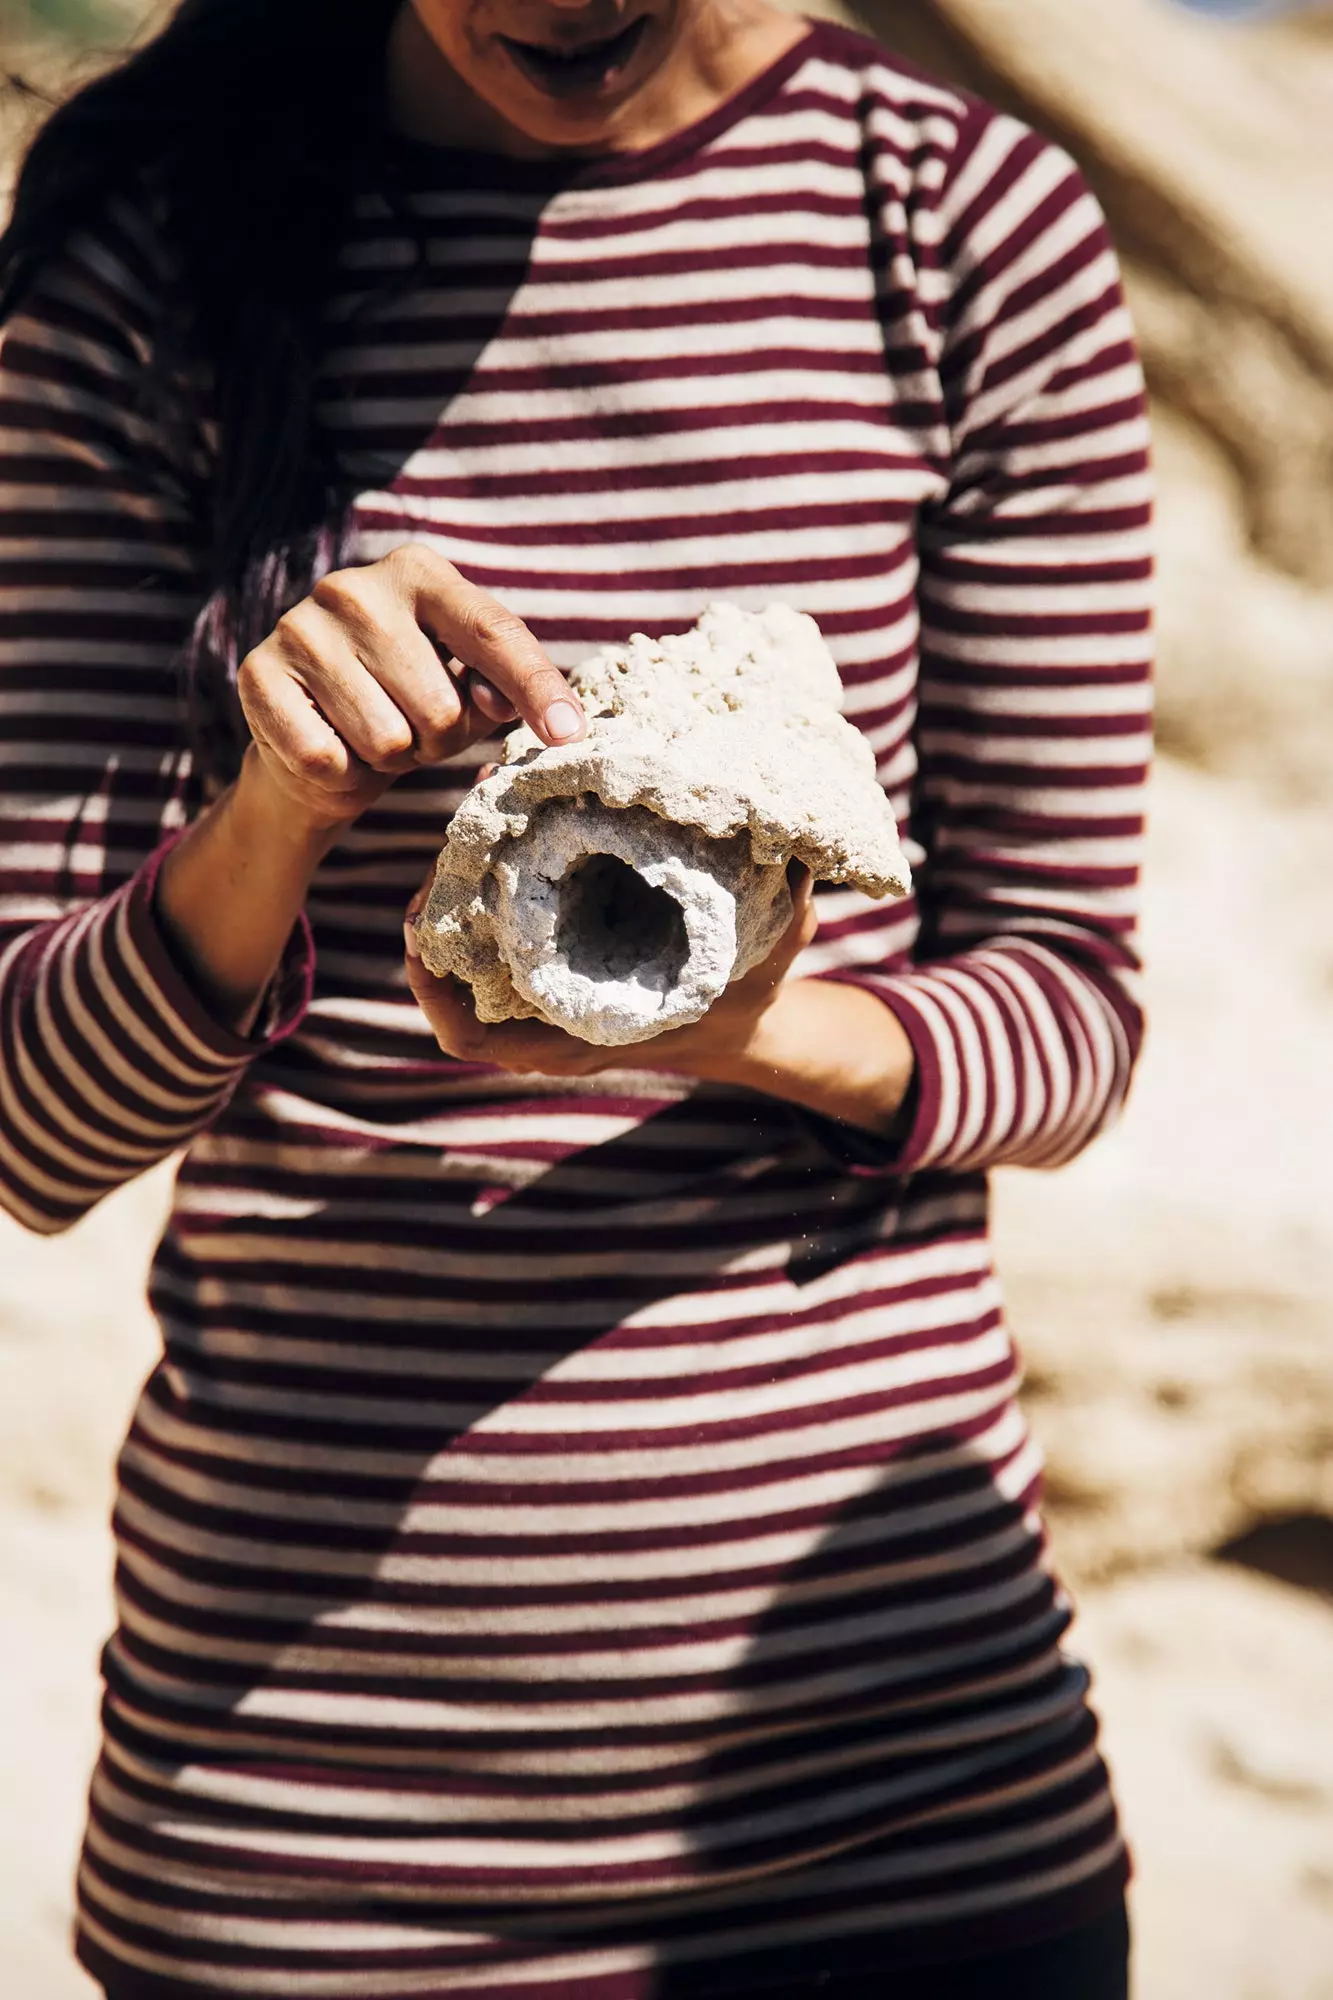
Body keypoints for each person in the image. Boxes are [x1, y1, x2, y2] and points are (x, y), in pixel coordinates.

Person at [0, 1, 1152, 1994]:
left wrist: (744, 1023)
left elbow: (1075, 1013)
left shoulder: (959, 227)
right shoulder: (155, 244)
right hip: (305, 1835)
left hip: (905, 1810)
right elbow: (33, 1130)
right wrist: (275, 804)